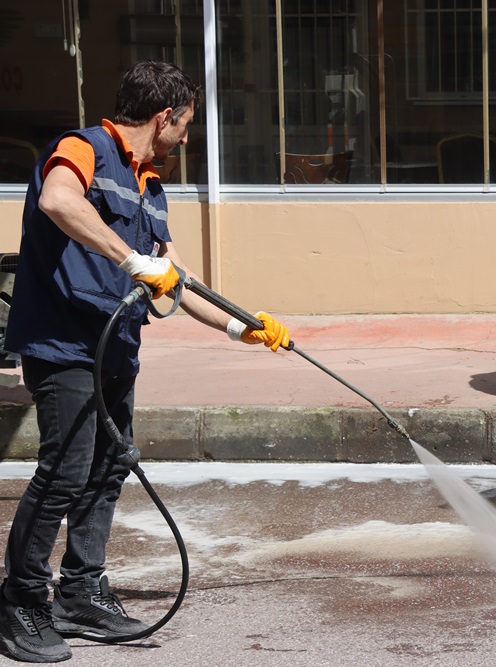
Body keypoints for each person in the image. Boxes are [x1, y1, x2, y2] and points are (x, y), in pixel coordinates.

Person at [0, 61, 290, 663]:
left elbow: (176, 279)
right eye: (184, 125)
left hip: (116, 346)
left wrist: (243, 326)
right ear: (164, 118)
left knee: (108, 469)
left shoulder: (149, 188)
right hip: (63, 343)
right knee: (64, 472)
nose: (185, 137)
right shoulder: (83, 149)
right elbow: (57, 200)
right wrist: (132, 260)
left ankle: (80, 593)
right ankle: (20, 601)